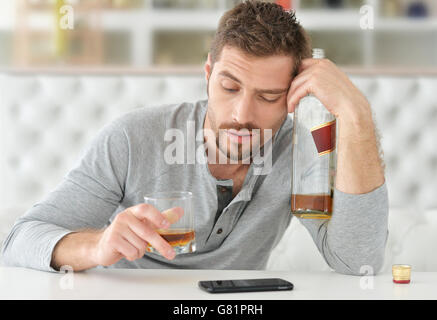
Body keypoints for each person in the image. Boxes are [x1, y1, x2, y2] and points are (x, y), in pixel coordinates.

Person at [1, 0, 388, 275]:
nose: (242, 116)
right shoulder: (133, 138)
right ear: (207, 74)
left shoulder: (303, 150)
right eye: (229, 87)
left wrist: (357, 115)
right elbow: (20, 239)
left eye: (268, 97)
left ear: (293, 96)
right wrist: (98, 244)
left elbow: (357, 262)